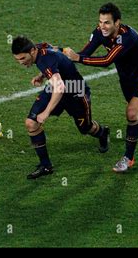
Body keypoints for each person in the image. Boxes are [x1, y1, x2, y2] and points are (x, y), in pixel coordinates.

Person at [63, 3, 138, 173]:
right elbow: (85, 53)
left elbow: (107, 60)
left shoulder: (127, 37)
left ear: (117, 23)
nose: (103, 26)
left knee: (131, 113)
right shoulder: (99, 32)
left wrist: (77, 57)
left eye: (107, 22)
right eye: (100, 22)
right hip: (126, 78)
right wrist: (58, 57)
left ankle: (127, 158)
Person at [12, 37, 110, 179]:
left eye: (22, 58)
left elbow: (60, 86)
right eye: (17, 60)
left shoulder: (44, 59)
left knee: (85, 128)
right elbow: (58, 52)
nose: (21, 62)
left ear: (32, 51)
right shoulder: (40, 47)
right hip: (56, 89)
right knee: (31, 123)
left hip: (76, 92)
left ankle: (102, 132)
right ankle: (46, 166)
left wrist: (46, 112)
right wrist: (42, 75)